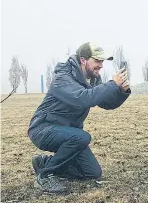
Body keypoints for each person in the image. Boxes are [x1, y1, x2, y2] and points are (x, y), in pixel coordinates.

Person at [27, 42, 131, 193]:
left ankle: (44, 163)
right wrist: (112, 84)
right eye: (97, 61)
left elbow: (106, 103)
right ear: (83, 60)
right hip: (43, 129)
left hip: (69, 133)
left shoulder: (93, 79)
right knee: (82, 137)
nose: (101, 65)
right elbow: (84, 98)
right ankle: (45, 175)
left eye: (102, 61)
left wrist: (122, 91)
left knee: (92, 173)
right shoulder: (63, 77)